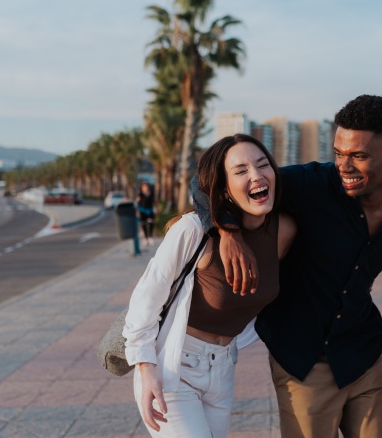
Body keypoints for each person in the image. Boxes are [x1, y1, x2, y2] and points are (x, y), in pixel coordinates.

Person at [193, 95, 382, 437]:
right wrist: (227, 231)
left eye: (358, 156)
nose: (344, 167)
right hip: (303, 362)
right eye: (339, 153)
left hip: (363, 355)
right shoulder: (309, 186)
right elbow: (204, 182)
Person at [123, 134, 296, 438]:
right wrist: (144, 368)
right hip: (174, 369)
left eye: (262, 165)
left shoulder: (284, 231)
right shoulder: (192, 231)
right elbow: (146, 297)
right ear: (223, 188)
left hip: (224, 369)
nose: (256, 175)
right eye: (240, 171)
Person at [137, 182, 156, 247]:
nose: (145, 188)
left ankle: (150, 238)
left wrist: (156, 209)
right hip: (142, 211)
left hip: (150, 211)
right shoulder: (140, 194)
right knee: (143, 224)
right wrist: (137, 212)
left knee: (151, 224)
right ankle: (145, 239)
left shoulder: (151, 194)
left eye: (146, 186)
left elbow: (155, 202)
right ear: (142, 188)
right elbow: (138, 203)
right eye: (144, 186)